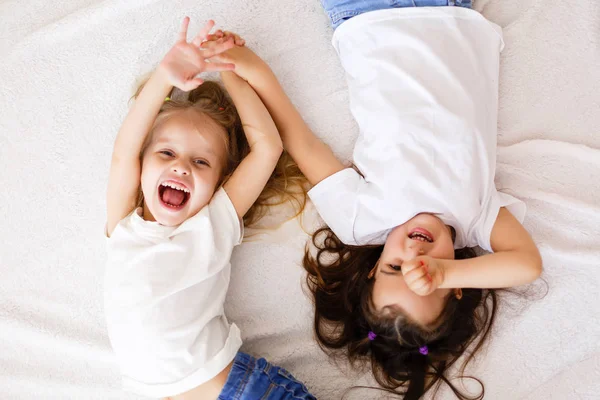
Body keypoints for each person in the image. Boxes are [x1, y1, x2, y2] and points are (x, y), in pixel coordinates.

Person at [205, 1, 543, 398]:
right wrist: (445, 272)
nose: (416, 255)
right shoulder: (476, 220)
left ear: (372, 268)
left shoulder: (360, 223)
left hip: (368, 14)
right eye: (426, 276)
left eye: (395, 267)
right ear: (456, 287)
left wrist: (248, 72)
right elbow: (527, 266)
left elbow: (303, 142)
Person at [104, 17, 314, 400]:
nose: (180, 166)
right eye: (166, 152)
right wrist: (164, 77)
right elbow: (123, 152)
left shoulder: (213, 222)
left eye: (201, 163)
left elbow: (267, 147)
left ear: (218, 183)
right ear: (142, 165)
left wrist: (229, 69)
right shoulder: (124, 227)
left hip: (242, 392)